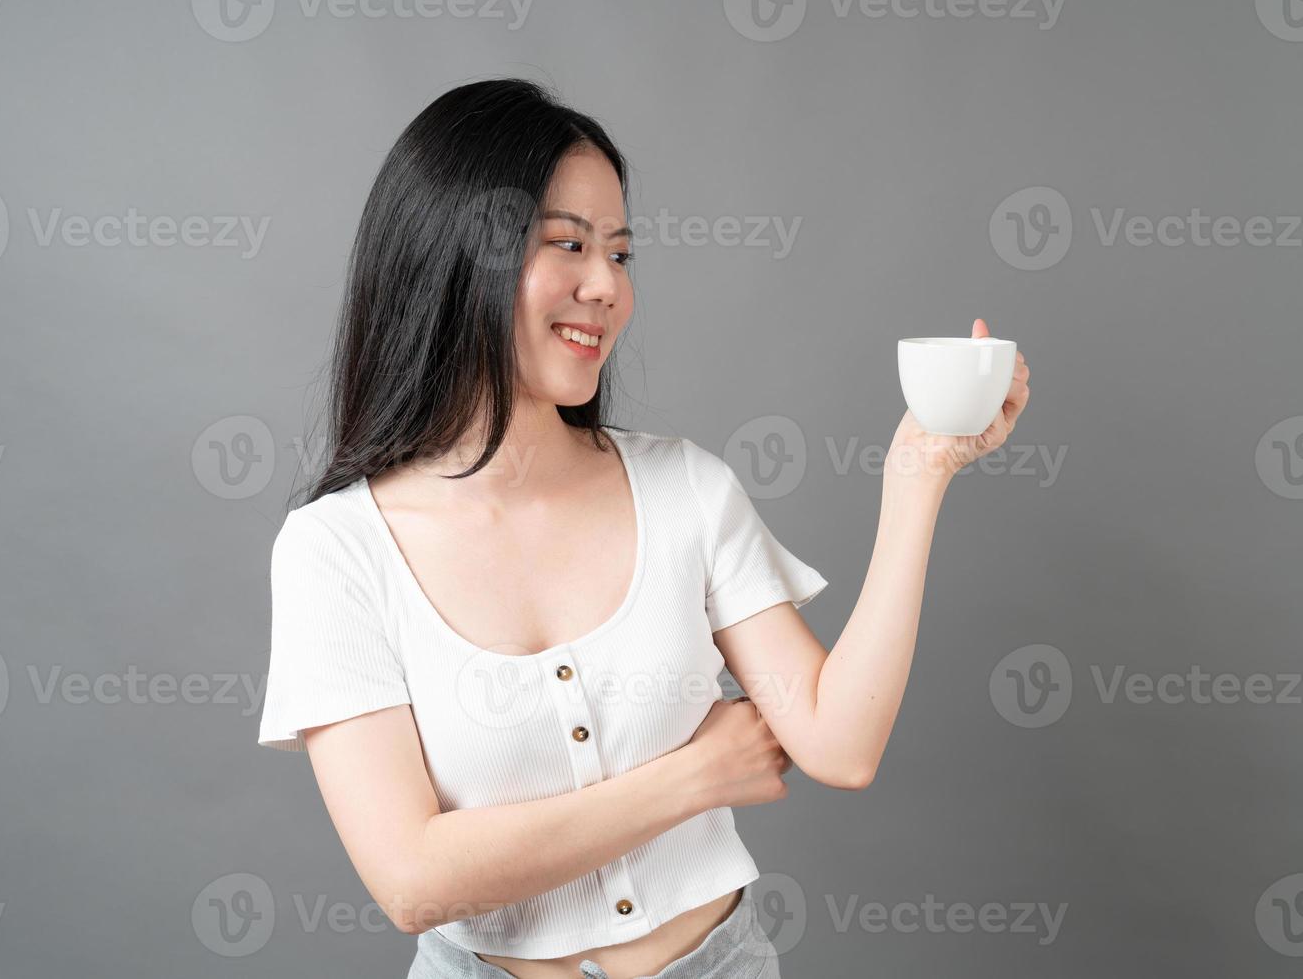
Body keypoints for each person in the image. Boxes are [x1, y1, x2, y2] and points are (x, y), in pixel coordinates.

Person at [256, 76, 1032, 979]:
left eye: (620, 255)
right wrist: (692, 778)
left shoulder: (684, 490)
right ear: (457, 256)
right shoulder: (336, 553)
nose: (606, 288)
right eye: (569, 246)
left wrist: (917, 478)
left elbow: (839, 741)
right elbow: (412, 882)